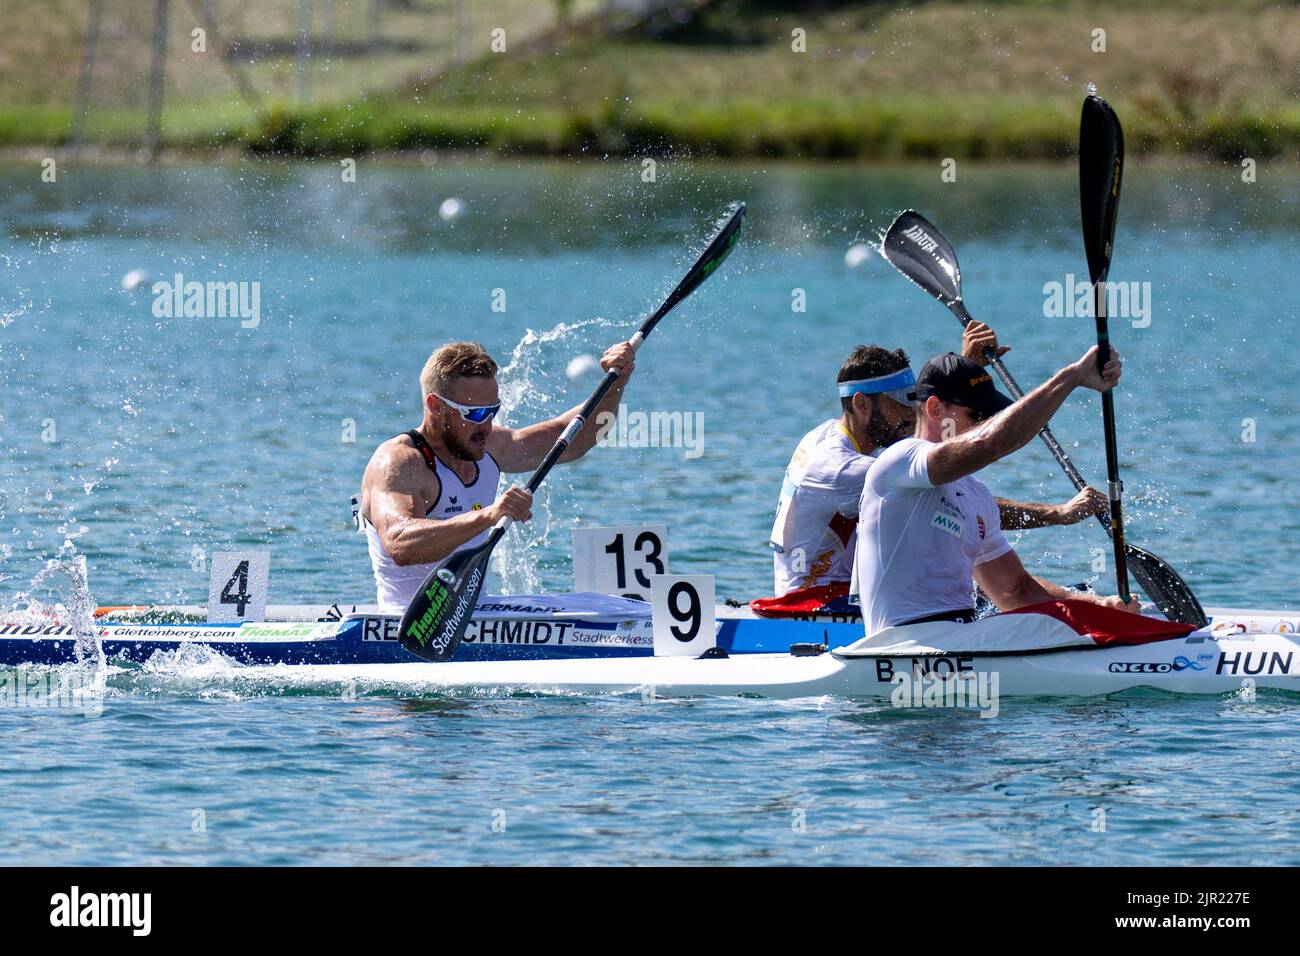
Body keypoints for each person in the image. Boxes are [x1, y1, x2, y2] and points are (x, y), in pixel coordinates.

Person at [769, 321, 1106, 597]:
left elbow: (927, 438)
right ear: (862, 404)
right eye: (900, 402)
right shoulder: (840, 468)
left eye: (914, 398)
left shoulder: (833, 434)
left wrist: (963, 374)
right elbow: (949, 489)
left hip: (845, 591)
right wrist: (1057, 513)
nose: (909, 411)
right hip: (818, 603)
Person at [853, 347, 1141, 635]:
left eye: (990, 416)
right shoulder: (900, 461)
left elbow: (1016, 592)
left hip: (963, 641)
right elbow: (993, 442)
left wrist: (1099, 606)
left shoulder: (976, 496)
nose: (984, 424)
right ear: (934, 409)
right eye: (976, 414)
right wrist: (1073, 376)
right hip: (900, 647)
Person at [358, 340, 635, 610]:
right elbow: (400, 543)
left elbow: (574, 439)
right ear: (435, 405)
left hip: (477, 613)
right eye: (476, 413)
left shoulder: (488, 445)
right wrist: (490, 515)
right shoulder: (399, 463)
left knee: (605, 605)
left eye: (493, 411)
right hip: (409, 625)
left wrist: (617, 382)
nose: (488, 426)